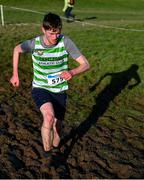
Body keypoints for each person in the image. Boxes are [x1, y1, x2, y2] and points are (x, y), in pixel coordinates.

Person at [10, 12, 90, 158]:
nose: (55, 37)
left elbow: (85, 64)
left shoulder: (65, 42)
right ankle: (47, 153)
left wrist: (72, 72)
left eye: (57, 33)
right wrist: (15, 74)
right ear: (43, 30)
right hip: (41, 87)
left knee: (57, 125)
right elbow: (17, 49)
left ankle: (54, 149)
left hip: (59, 90)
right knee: (48, 117)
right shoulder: (34, 44)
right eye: (51, 33)